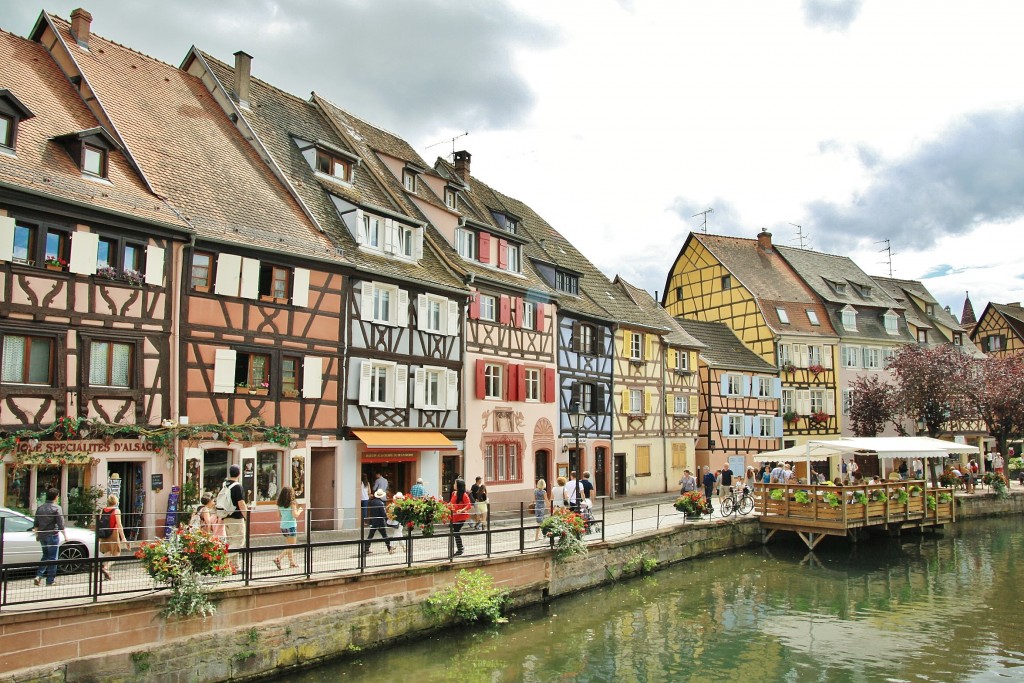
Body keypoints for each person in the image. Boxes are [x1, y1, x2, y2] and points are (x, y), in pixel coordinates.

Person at [32, 488, 65, 587]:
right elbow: (61, 524)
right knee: (53, 558)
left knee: (45, 556)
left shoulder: (40, 507)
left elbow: (36, 523)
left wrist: (37, 535)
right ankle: (50, 580)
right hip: (52, 535)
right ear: (56, 497)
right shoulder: (57, 508)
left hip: (42, 535)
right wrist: (65, 536)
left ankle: (39, 575)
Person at [221, 465, 248, 572]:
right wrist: (247, 516)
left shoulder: (225, 484)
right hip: (236, 518)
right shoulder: (237, 486)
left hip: (226, 516)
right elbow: (241, 503)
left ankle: (234, 567)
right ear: (239, 473)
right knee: (239, 541)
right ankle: (223, 559)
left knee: (232, 541)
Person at [98, 494, 128, 580]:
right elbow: (119, 525)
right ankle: (106, 567)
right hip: (113, 533)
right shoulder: (116, 511)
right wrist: (123, 538)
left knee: (107, 553)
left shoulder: (102, 510)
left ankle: (106, 573)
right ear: (116, 501)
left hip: (104, 533)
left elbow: (100, 523)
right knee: (116, 553)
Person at [273, 486, 302, 569]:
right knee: (292, 545)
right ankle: (278, 558)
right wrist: (300, 510)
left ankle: (292, 562)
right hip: (291, 526)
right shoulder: (292, 503)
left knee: (289, 545)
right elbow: (295, 515)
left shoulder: (279, 504)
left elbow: (278, 515)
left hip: (283, 526)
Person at [363, 489, 393, 555]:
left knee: (370, 535)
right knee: (384, 535)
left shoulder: (372, 502)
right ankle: (389, 548)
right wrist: (387, 520)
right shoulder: (381, 503)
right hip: (380, 521)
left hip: (374, 520)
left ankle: (366, 548)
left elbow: (371, 512)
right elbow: (383, 513)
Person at [448, 478, 472, 556]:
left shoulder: (464, 494)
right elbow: (451, 503)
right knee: (455, 532)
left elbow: (468, 505)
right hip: (455, 516)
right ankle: (460, 548)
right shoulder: (454, 493)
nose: (453, 485)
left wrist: (462, 510)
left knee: (456, 531)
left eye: (455, 484)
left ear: (458, 485)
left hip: (461, 516)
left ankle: (460, 548)